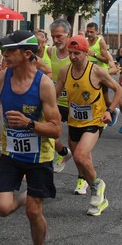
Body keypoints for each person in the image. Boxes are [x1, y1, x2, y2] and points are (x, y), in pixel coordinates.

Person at [0, 30, 61, 245]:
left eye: (10, 50)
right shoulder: (1, 78)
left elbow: (56, 129)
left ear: (26, 53)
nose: (4, 54)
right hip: (11, 153)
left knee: (33, 211)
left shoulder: (44, 85)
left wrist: (29, 123)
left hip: (40, 156)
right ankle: (26, 195)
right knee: (1, 208)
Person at [56, 35, 122, 216]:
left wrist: (110, 110)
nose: (73, 56)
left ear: (86, 52)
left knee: (80, 156)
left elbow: (118, 90)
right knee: (84, 163)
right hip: (74, 121)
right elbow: (54, 95)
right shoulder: (64, 71)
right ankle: (99, 201)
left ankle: (97, 186)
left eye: (77, 53)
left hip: (95, 121)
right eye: (70, 53)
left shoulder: (97, 71)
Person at [47, 19, 75, 188]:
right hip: (56, 101)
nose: (56, 40)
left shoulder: (76, 54)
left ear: (69, 35)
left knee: (76, 144)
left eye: (59, 36)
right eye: (53, 36)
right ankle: (63, 153)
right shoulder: (50, 52)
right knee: (49, 134)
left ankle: (82, 180)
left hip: (74, 103)